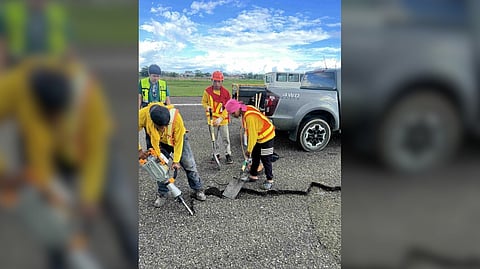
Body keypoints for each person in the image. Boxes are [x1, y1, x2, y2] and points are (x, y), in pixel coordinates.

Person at [138, 102, 206, 207]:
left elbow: (179, 142)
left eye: (165, 126)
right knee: (158, 168)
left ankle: (198, 188)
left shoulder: (176, 118)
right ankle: (162, 193)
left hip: (177, 139)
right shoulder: (143, 115)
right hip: (158, 143)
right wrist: (139, 150)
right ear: (152, 121)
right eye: (160, 127)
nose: (163, 129)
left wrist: (176, 161)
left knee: (189, 164)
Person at [0, 0, 72, 70]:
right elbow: (2, 43)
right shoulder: (9, 12)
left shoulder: (59, 14)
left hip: (52, 67)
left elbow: (69, 46)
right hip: (18, 67)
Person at [225, 99, 276, 190]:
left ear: (237, 108)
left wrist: (249, 150)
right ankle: (253, 175)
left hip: (267, 136)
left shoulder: (249, 116)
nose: (232, 115)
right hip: (259, 135)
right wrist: (251, 150)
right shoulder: (246, 110)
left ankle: (269, 180)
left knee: (265, 159)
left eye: (232, 113)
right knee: (255, 156)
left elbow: (253, 135)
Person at [201, 70, 233, 164]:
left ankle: (228, 154)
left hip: (222, 120)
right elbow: (204, 102)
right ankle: (216, 154)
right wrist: (207, 107)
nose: (217, 83)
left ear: (222, 81)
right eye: (215, 81)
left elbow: (228, 107)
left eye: (219, 81)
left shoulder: (226, 93)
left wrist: (221, 118)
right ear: (212, 80)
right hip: (212, 120)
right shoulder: (207, 91)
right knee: (214, 138)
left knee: (225, 138)